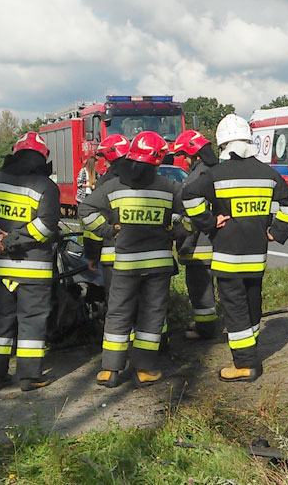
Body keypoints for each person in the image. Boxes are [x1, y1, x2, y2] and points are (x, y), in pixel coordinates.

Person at [182, 114, 288, 382]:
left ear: (223, 145)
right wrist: (276, 231)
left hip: (227, 256)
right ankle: (250, 346)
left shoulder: (215, 175)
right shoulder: (267, 174)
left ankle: (245, 364)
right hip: (257, 256)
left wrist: (209, 222)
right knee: (252, 302)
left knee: (235, 309)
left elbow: (188, 196)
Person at [79, 131, 183, 388]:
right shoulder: (169, 187)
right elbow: (193, 211)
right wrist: (178, 230)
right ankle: (145, 369)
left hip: (125, 263)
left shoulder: (113, 186)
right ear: (158, 160)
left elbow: (85, 210)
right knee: (152, 315)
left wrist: (109, 231)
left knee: (118, 313)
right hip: (158, 264)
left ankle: (110, 370)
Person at [0, 133, 60, 392]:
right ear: (43, 158)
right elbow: (46, 226)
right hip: (33, 269)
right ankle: (30, 377)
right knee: (32, 321)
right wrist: (13, 240)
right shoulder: (46, 186)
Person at [171, 129, 221, 341]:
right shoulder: (216, 171)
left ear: (195, 155)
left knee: (200, 288)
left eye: (185, 156)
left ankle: (206, 329)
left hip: (198, 245)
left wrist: (181, 241)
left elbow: (189, 215)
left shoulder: (196, 177)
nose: (185, 160)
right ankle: (206, 323)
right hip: (216, 242)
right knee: (213, 287)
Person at [81, 135, 130, 293]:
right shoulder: (143, 179)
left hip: (113, 256)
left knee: (116, 304)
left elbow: (92, 221)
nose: (104, 163)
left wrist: (92, 255)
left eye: (105, 159)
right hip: (144, 258)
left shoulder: (105, 184)